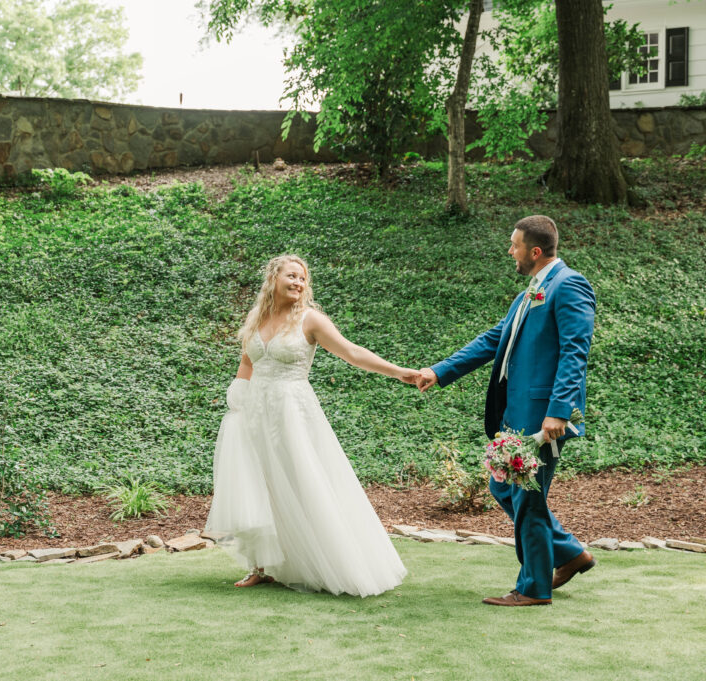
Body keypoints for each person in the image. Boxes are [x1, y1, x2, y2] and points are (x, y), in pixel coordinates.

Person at [204, 254, 414, 597]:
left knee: (304, 479)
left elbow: (353, 352)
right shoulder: (257, 319)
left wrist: (400, 372)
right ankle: (261, 566)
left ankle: (332, 564)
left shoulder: (311, 320)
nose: (298, 283)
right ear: (273, 278)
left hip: (293, 412)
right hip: (256, 413)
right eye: (291, 276)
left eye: (303, 278)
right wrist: (237, 403)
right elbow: (247, 361)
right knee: (262, 484)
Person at [416, 215, 596, 607]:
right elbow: (492, 340)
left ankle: (533, 588)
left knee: (527, 496)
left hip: (543, 415)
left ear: (534, 251)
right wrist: (439, 371)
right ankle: (569, 552)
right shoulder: (529, 293)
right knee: (503, 486)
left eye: (513, 245)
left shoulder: (569, 285)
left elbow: (574, 352)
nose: (509, 251)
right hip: (515, 413)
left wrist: (559, 410)